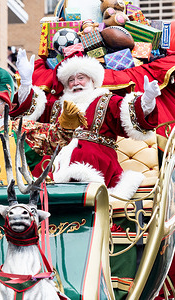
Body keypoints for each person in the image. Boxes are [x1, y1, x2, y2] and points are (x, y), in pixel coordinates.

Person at [10, 51, 160, 200]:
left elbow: (131, 113)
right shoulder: (56, 106)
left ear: (92, 80)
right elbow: (29, 111)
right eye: (71, 80)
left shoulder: (107, 101)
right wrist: (26, 82)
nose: (75, 83)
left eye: (81, 78)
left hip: (96, 163)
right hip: (55, 163)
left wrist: (147, 99)